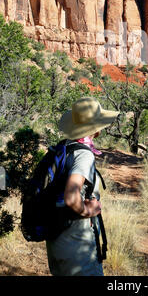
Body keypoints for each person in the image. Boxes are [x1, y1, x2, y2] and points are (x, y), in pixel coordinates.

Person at [46, 97, 120, 276]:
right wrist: (89, 210)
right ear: (96, 131)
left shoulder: (63, 148)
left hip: (56, 241)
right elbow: (71, 197)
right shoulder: (83, 155)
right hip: (77, 245)